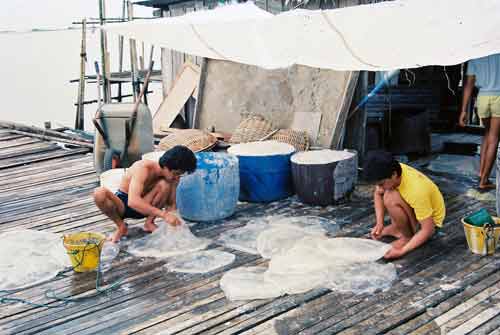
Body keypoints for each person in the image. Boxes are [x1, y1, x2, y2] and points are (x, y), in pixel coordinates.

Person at [94, 145, 197, 243]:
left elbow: (171, 205)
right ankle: (121, 226)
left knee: (164, 184)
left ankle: (149, 223)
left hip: (148, 206)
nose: (177, 178)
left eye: (180, 174)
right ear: (166, 166)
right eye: (176, 173)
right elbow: (132, 202)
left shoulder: (172, 179)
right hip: (124, 204)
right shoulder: (143, 168)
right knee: (99, 193)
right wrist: (164, 215)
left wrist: (176, 226)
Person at [363, 150, 446, 259]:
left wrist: (402, 251)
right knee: (389, 192)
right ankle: (398, 228)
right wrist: (380, 223)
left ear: (394, 174)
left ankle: (407, 237)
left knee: (390, 197)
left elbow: (428, 230)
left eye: (381, 184)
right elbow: (378, 193)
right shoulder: (393, 171)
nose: (380, 187)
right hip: (416, 215)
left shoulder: (417, 189)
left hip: (429, 226)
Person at [459, 53, 500, 190]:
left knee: (487, 134)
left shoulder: (476, 54)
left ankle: (481, 172)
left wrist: (463, 110)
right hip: (498, 97)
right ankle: (484, 180)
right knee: (494, 138)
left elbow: (469, 84)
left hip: (482, 97)